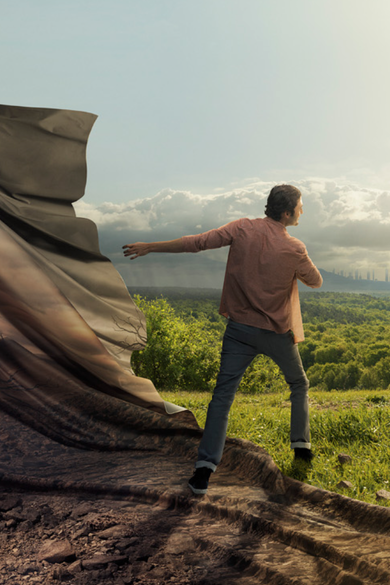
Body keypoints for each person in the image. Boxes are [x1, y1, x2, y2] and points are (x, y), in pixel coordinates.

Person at [122, 184, 323, 495]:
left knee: (222, 397)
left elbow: (198, 242)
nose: (302, 210)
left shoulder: (241, 228)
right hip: (276, 334)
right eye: (300, 206)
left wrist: (151, 246)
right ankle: (301, 447)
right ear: (287, 213)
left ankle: (203, 470)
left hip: (239, 331)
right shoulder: (294, 247)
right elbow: (316, 281)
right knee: (298, 384)